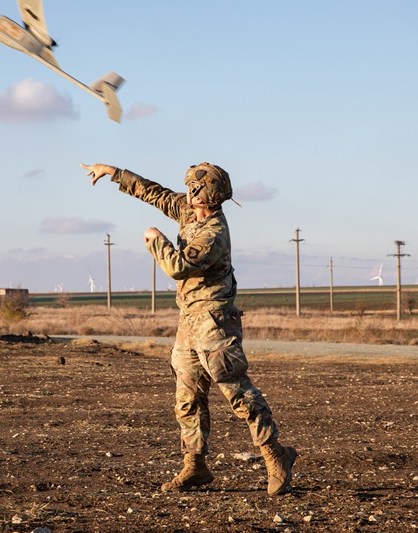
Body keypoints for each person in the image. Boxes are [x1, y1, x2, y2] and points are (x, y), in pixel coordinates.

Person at [80, 162, 297, 495]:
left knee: (236, 391)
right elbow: (155, 194)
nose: (189, 192)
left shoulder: (213, 234)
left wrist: (155, 241)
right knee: (188, 398)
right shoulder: (188, 210)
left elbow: (179, 267)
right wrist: (115, 173)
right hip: (189, 321)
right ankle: (195, 466)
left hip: (215, 322)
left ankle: (275, 455)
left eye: (195, 188)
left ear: (206, 194)